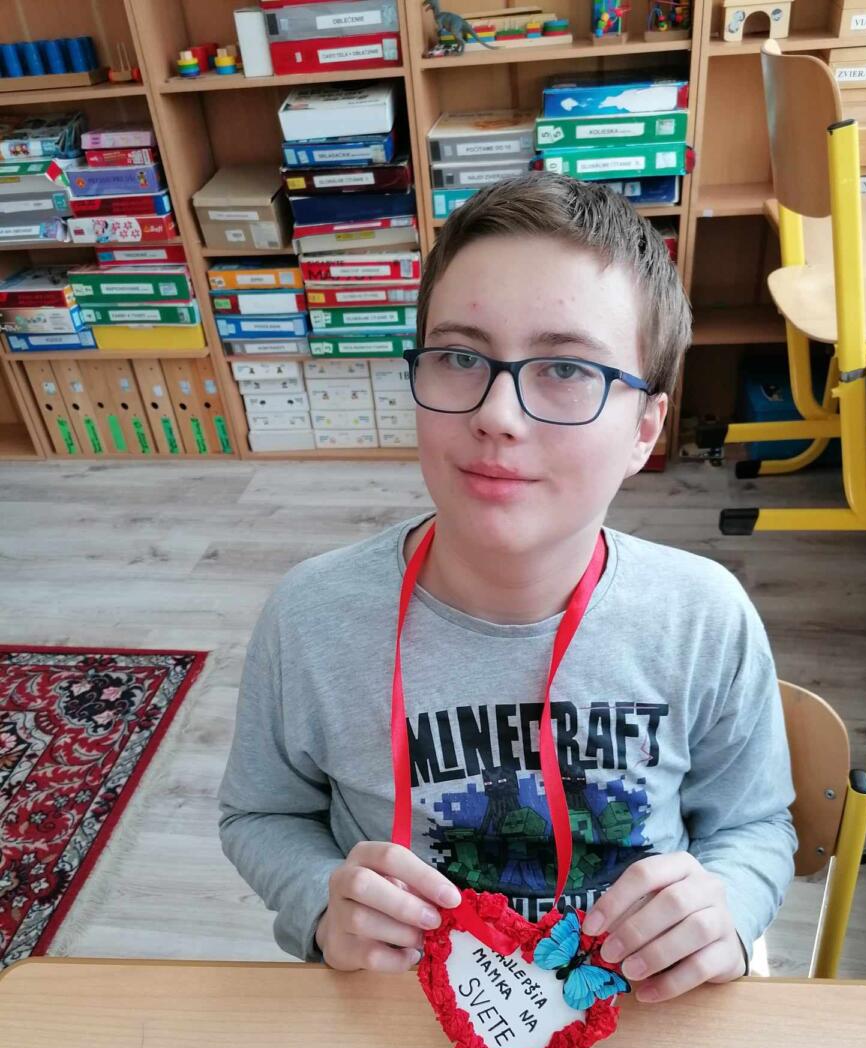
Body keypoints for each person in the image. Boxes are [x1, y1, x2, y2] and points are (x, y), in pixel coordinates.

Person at [217, 174, 797, 1004]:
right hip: (399, 1013)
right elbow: (260, 816)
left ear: (644, 428)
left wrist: (727, 910)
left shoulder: (703, 618)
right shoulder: (311, 618)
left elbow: (753, 824)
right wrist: (318, 902)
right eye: (460, 357)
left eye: (565, 368)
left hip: (636, 1015)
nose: (498, 413)